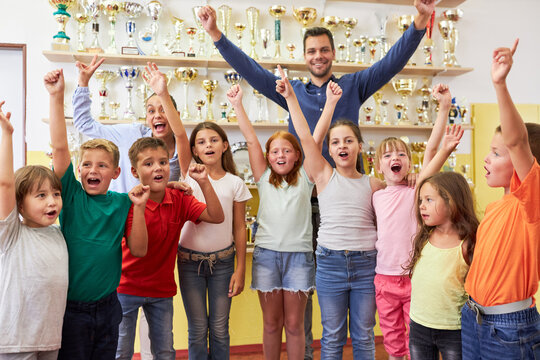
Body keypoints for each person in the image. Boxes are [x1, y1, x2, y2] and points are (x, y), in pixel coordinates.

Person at [197, 0, 435, 165]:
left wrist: (421, 19)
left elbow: (391, 63)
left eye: (323, 50)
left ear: (333, 53)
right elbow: (251, 71)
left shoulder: (353, 85)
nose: (318, 56)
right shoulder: (291, 91)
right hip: (303, 188)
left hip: (347, 187)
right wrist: (215, 33)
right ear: (304, 56)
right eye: (311, 51)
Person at [142, 62, 252, 360]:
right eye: (201, 142)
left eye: (214, 140)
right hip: (189, 263)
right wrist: (163, 93)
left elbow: (239, 228)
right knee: (197, 328)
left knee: (218, 328)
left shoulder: (236, 183)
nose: (208, 145)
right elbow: (178, 133)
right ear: (194, 150)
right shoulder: (188, 172)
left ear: (225, 146)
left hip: (224, 264)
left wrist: (240, 269)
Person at [275, 64, 385, 358]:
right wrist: (291, 99)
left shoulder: (374, 184)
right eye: (335, 142)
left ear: (360, 147)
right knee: (333, 336)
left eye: (349, 140)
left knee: (363, 336)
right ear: (329, 150)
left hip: (365, 266)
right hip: (330, 264)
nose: (342, 146)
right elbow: (305, 135)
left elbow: (403, 194)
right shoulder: (323, 175)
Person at [227, 80, 341, 360]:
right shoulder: (263, 177)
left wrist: (330, 104)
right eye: (275, 151)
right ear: (267, 157)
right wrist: (237, 105)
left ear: (298, 157)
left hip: (299, 258)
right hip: (267, 257)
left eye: (286, 151)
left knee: (294, 325)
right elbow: (251, 139)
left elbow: (313, 138)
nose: (280, 154)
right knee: (271, 324)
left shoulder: (306, 178)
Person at [44, 68, 150, 360]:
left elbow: (139, 249)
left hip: (108, 307)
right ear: (78, 170)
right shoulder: (72, 196)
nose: (93, 170)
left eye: (102, 166)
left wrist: (139, 207)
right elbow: (60, 146)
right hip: (71, 310)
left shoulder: (122, 202)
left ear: (115, 172)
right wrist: (56, 97)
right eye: (87, 164)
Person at [461, 39, 540, 359]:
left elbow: (517, 141)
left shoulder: (531, 202)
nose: (487, 159)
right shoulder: (497, 206)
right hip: (473, 317)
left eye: (497, 153)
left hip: (509, 327)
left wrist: (500, 83)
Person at [115, 135, 225, 360]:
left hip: (161, 291)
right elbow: (139, 250)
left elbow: (216, 216)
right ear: (135, 172)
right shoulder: (127, 203)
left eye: (163, 162)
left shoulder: (179, 198)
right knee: (121, 352)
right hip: (125, 289)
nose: (158, 168)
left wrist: (204, 181)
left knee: (165, 352)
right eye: (148, 163)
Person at [372, 83, 458, 360]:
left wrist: (444, 107)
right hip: (383, 278)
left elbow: (431, 149)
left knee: (415, 338)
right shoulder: (375, 194)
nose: (394, 158)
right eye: (387, 156)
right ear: (378, 167)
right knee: (391, 335)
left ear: (410, 163)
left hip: (413, 277)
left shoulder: (418, 191)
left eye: (401, 155)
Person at [0, 101, 68, 360]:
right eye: (41, 195)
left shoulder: (57, 233)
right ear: (19, 204)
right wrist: (7, 134)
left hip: (50, 338)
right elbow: (5, 184)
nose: (52, 201)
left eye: (55, 194)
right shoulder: (11, 234)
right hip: (16, 341)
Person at [72, 55, 181, 193]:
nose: (157, 115)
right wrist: (83, 83)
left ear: (176, 115)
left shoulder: (183, 148)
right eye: (151, 111)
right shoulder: (131, 133)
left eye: (164, 110)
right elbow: (84, 124)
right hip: (124, 212)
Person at [405, 171, 478, 360]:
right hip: (418, 327)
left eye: (429, 199)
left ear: (451, 201)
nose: (422, 205)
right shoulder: (424, 236)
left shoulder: (467, 244)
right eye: (421, 200)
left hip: (453, 331)